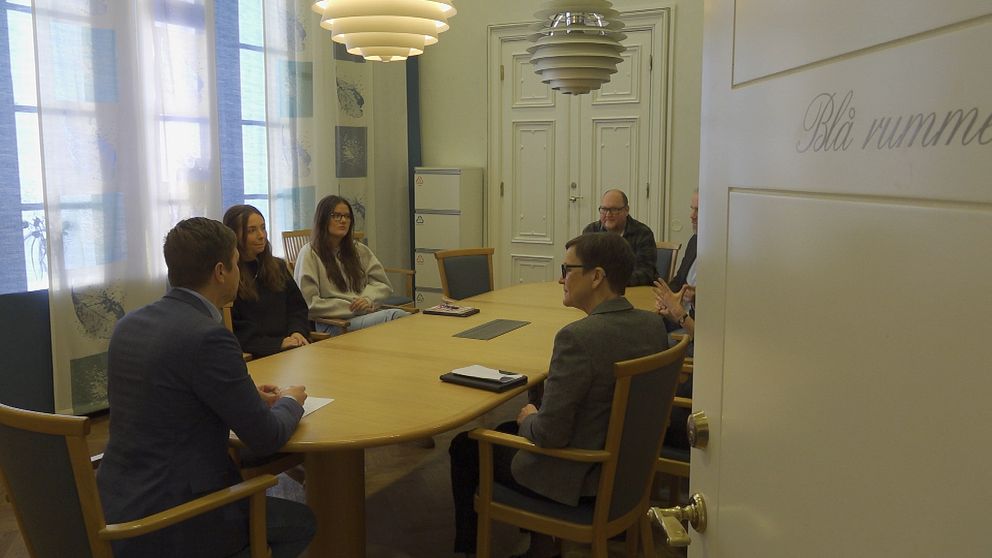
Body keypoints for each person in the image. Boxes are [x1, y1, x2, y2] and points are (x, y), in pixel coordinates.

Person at [96, 217, 314, 558]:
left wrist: (246, 395)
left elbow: (165, 396)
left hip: (114, 507)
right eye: (236, 263)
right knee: (303, 522)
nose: (240, 271)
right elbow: (266, 437)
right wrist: (291, 401)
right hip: (175, 520)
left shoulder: (128, 325)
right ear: (220, 272)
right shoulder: (209, 337)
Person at [448, 233, 669, 557]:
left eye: (567, 269)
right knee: (512, 427)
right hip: (627, 475)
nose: (560, 279)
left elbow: (550, 435)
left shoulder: (577, 338)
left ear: (596, 277)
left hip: (581, 477)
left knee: (466, 445)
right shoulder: (652, 326)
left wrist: (529, 418)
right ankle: (541, 548)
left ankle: (470, 551)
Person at [294, 195, 408, 334]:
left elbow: (382, 284)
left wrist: (367, 299)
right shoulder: (309, 253)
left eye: (347, 216)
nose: (343, 220)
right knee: (396, 316)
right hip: (334, 323)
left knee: (408, 319)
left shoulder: (359, 250)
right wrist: (352, 307)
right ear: (323, 219)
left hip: (363, 315)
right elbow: (309, 303)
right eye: (336, 216)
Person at [223, 204, 311, 358]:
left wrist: (297, 332)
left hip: (293, 346)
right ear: (234, 235)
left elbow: (297, 308)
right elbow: (238, 330)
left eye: (263, 228)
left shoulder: (278, 266)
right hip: (259, 354)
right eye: (251, 230)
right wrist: (278, 344)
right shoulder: (229, 275)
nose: (261, 235)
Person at [582, 189, 657, 286]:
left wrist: (611, 282)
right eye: (604, 209)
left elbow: (646, 273)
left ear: (626, 210)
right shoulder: (591, 232)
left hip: (634, 289)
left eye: (614, 210)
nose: (608, 214)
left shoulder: (643, 233)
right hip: (598, 289)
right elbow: (584, 267)